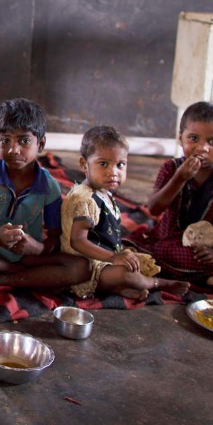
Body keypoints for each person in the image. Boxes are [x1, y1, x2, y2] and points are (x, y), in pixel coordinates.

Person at [129, 102, 213, 303]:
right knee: (127, 247)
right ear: (180, 137)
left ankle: (200, 273)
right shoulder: (171, 168)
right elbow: (155, 208)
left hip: (205, 252)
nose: (202, 148)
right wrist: (179, 178)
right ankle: (207, 277)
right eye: (193, 138)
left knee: (185, 259)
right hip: (165, 242)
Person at [0, 99, 88, 292]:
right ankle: (12, 273)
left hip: (25, 255)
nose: (13, 150)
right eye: (5, 140)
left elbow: (56, 236)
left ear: (40, 144)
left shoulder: (49, 186)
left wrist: (38, 249)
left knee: (80, 268)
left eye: (24, 141)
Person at [61, 126, 190, 300]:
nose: (113, 172)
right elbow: (78, 241)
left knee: (140, 260)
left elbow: (104, 234)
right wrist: (114, 257)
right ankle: (159, 284)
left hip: (104, 258)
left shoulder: (104, 192)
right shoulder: (85, 200)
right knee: (127, 274)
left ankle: (117, 288)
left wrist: (120, 250)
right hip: (86, 265)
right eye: (104, 164)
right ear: (84, 165)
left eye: (120, 164)